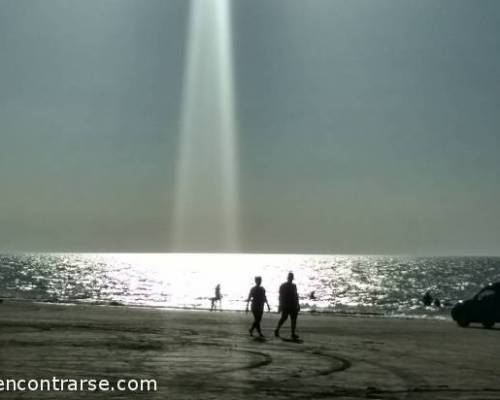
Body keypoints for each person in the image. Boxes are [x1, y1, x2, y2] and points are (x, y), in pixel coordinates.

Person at [274, 272, 300, 339]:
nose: (291, 279)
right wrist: (280, 305)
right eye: (290, 277)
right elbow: (280, 296)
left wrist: (298, 304)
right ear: (288, 278)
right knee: (284, 318)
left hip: (292, 305)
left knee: (293, 319)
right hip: (286, 305)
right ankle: (277, 330)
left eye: (291, 278)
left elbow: (296, 295)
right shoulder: (283, 286)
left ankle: (292, 333)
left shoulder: (294, 286)